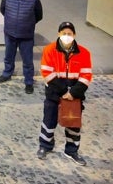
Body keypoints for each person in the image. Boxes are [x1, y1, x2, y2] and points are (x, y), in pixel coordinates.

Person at [37, 21, 92, 166]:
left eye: (69, 34)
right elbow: (47, 73)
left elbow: (86, 76)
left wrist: (73, 93)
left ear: (74, 35)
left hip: (74, 97)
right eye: (64, 34)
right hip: (54, 94)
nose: (66, 36)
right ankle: (45, 145)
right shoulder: (49, 50)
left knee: (74, 124)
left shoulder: (84, 53)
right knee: (49, 121)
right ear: (58, 34)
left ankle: (72, 151)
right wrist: (63, 92)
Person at [0, 0, 43, 94]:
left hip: (26, 36)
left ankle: (28, 82)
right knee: (8, 56)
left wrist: (28, 24)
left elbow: (39, 16)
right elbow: (3, 10)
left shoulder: (34, 0)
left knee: (27, 61)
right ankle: (7, 74)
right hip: (10, 33)